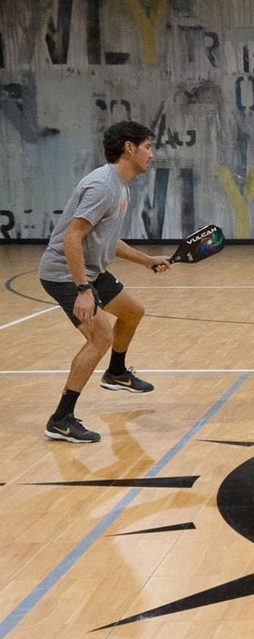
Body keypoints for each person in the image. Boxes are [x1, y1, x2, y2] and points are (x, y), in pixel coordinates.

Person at [39, 121, 171, 443]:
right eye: (147, 147)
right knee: (100, 337)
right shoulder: (103, 186)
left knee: (132, 312)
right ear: (129, 148)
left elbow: (108, 240)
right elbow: (72, 237)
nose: (151, 154)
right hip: (64, 273)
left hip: (93, 271)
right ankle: (61, 419)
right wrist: (83, 289)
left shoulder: (120, 185)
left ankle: (116, 373)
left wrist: (147, 260)